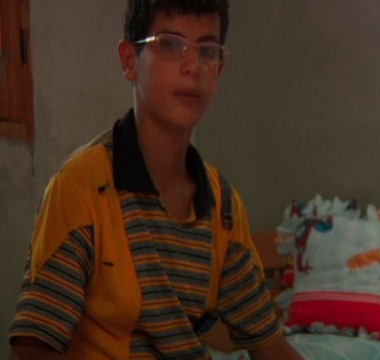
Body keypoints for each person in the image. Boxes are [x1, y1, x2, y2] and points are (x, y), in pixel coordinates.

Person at [8, 1, 304, 359]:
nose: (193, 66)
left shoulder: (222, 205)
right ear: (130, 61)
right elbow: (32, 350)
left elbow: (269, 345)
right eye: (169, 43)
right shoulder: (82, 187)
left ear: (220, 69)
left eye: (207, 50)